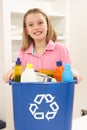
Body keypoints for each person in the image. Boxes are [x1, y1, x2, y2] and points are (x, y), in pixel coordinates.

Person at [3, 8, 82, 83]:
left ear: (47, 25)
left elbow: (69, 72)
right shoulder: (23, 51)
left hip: (56, 95)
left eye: (40, 23)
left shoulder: (60, 49)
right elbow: (16, 72)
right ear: (27, 30)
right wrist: (11, 73)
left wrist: (74, 73)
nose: (36, 27)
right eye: (31, 25)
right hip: (31, 95)